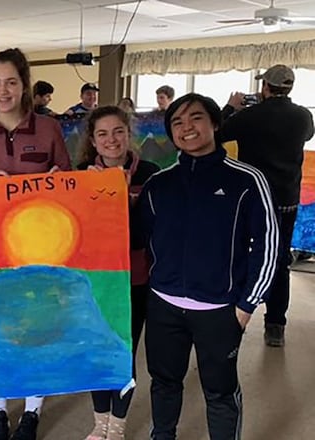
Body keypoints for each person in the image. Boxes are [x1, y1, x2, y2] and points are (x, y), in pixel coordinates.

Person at [139, 93, 278, 440]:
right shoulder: (159, 184)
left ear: (215, 123)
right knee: (164, 382)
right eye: (177, 122)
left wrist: (247, 306)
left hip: (219, 309)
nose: (187, 128)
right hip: (163, 305)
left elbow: (269, 244)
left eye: (196, 118)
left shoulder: (246, 180)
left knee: (219, 391)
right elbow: (131, 234)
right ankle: (162, 435)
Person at [0, 48, 72, 440]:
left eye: (11, 82)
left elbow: (70, 189)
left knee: (37, 327)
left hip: (41, 248)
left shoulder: (50, 129)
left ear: (25, 86)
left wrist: (55, 179)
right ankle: (0, 410)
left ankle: (33, 411)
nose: (2, 90)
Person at [76, 106, 159, 440]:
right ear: (93, 142)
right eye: (102, 134)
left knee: (124, 353)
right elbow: (76, 231)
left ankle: (118, 425)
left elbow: (145, 235)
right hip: (93, 280)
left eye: (118, 132)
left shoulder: (150, 173)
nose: (111, 140)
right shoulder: (81, 175)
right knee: (98, 351)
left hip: (135, 280)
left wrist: (120, 197)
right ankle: (100, 423)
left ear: (128, 133)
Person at [220, 64, 315, 347]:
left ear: (265, 88)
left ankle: (232, 315)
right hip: (287, 200)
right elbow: (307, 135)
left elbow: (219, 133)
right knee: (280, 259)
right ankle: (275, 325)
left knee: (238, 253)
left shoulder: (250, 116)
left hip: (253, 199)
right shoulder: (303, 116)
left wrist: (230, 107)